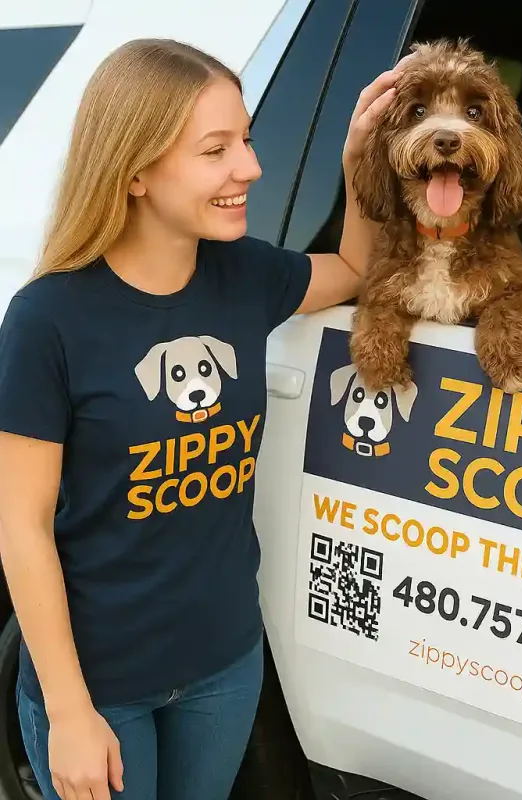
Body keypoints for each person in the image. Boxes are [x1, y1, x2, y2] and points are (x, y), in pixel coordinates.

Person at [0, 37, 407, 800]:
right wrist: (69, 711)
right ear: (136, 173)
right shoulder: (47, 320)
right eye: (216, 150)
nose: (249, 168)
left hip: (224, 663)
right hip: (102, 688)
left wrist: (360, 160)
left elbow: (353, 269)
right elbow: (19, 527)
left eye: (246, 140)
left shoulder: (242, 275)